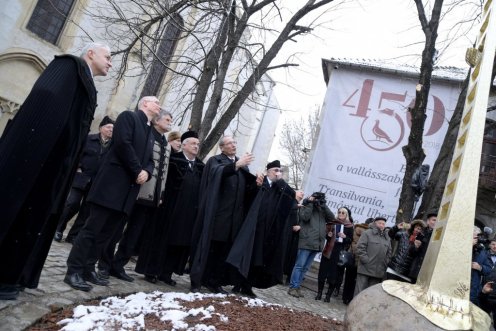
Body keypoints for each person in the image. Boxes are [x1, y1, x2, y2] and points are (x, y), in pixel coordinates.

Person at [0, 42, 112, 300]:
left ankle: (13, 276)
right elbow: (46, 104)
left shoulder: (86, 82)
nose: (110, 62)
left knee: (33, 221)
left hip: (55, 169)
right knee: (17, 213)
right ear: (91, 54)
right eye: (107, 57)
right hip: (37, 160)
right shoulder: (67, 66)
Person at [64, 96, 159, 292]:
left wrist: (147, 172)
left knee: (106, 235)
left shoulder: (150, 131)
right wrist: (137, 171)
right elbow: (123, 144)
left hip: (128, 192)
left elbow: (150, 160)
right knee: (92, 230)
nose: (159, 105)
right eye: (155, 102)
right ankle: (73, 270)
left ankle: (89, 268)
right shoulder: (128, 117)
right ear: (144, 104)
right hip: (111, 186)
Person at [102, 110, 173, 282]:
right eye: (167, 119)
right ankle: (104, 264)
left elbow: (163, 173)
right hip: (135, 190)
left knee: (133, 234)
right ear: (156, 121)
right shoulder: (147, 136)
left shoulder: (167, 144)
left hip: (150, 197)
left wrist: (160, 194)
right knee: (116, 230)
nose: (171, 122)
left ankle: (118, 265)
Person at [189, 136, 259, 294]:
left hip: (234, 220)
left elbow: (245, 192)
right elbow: (216, 174)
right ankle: (197, 281)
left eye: (235, 142)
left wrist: (256, 184)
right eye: (229, 143)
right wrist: (235, 165)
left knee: (222, 252)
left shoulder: (243, 166)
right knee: (208, 249)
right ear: (222, 147)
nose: (234, 145)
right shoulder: (216, 160)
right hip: (217, 217)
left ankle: (214, 281)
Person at [136, 131, 205, 285]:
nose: (196, 146)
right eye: (193, 143)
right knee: (161, 240)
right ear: (184, 145)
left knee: (178, 242)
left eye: (198, 144)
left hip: (188, 212)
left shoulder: (201, 166)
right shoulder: (173, 160)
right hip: (169, 208)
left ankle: (166, 273)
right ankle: (151, 271)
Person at [227, 160, 296, 296]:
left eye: (280, 171)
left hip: (267, 231)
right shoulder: (260, 182)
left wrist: (281, 181)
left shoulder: (280, 188)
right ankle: (237, 283)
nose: (278, 173)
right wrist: (256, 185)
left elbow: (290, 197)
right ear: (268, 171)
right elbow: (247, 195)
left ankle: (247, 285)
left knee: (257, 259)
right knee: (245, 256)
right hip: (252, 227)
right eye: (275, 170)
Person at [54, 116, 115, 243]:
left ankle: (73, 235)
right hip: (81, 178)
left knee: (86, 211)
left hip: (97, 182)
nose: (111, 130)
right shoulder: (89, 139)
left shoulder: (112, 146)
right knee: (72, 203)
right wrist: (78, 167)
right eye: (108, 127)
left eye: (113, 129)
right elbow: (76, 154)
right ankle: (58, 229)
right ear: (101, 128)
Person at [287, 192, 335, 298]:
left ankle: (297, 286)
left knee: (305, 268)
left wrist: (323, 205)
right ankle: (293, 287)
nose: (317, 201)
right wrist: (310, 203)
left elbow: (331, 218)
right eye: (316, 198)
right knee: (299, 266)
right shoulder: (306, 206)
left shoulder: (322, 209)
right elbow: (305, 217)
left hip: (317, 243)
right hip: (306, 240)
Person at [315, 207, 353, 302]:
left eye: (343, 213)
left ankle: (328, 296)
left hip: (338, 253)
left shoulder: (349, 226)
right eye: (339, 212)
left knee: (333, 275)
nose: (340, 214)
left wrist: (344, 237)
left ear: (346, 215)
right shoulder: (332, 222)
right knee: (322, 273)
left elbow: (350, 241)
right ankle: (319, 293)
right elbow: (326, 235)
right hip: (328, 251)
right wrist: (329, 235)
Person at [354, 216, 392, 296]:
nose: (381, 225)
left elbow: (389, 252)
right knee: (359, 292)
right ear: (375, 224)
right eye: (380, 223)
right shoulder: (367, 233)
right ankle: (356, 308)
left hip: (378, 271)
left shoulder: (387, 237)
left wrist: (385, 262)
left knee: (371, 295)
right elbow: (360, 248)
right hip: (365, 268)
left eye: (383, 224)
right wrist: (366, 261)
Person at [342, 217, 373, 305]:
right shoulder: (368, 234)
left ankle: (345, 298)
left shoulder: (357, 229)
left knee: (348, 279)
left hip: (352, 257)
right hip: (359, 260)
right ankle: (351, 299)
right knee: (356, 282)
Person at [408, 212, 437, 283]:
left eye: (437, 220)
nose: (435, 222)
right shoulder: (421, 233)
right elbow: (411, 252)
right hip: (416, 270)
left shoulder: (439, 234)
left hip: (429, 272)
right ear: (428, 221)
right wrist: (415, 247)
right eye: (433, 220)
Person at [470, 226, 491, 306]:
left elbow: (489, 269)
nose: (476, 239)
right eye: (474, 236)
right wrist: (469, 246)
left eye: (477, 236)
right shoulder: (460, 246)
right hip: (458, 287)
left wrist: (480, 268)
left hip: (474, 292)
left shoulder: (482, 251)